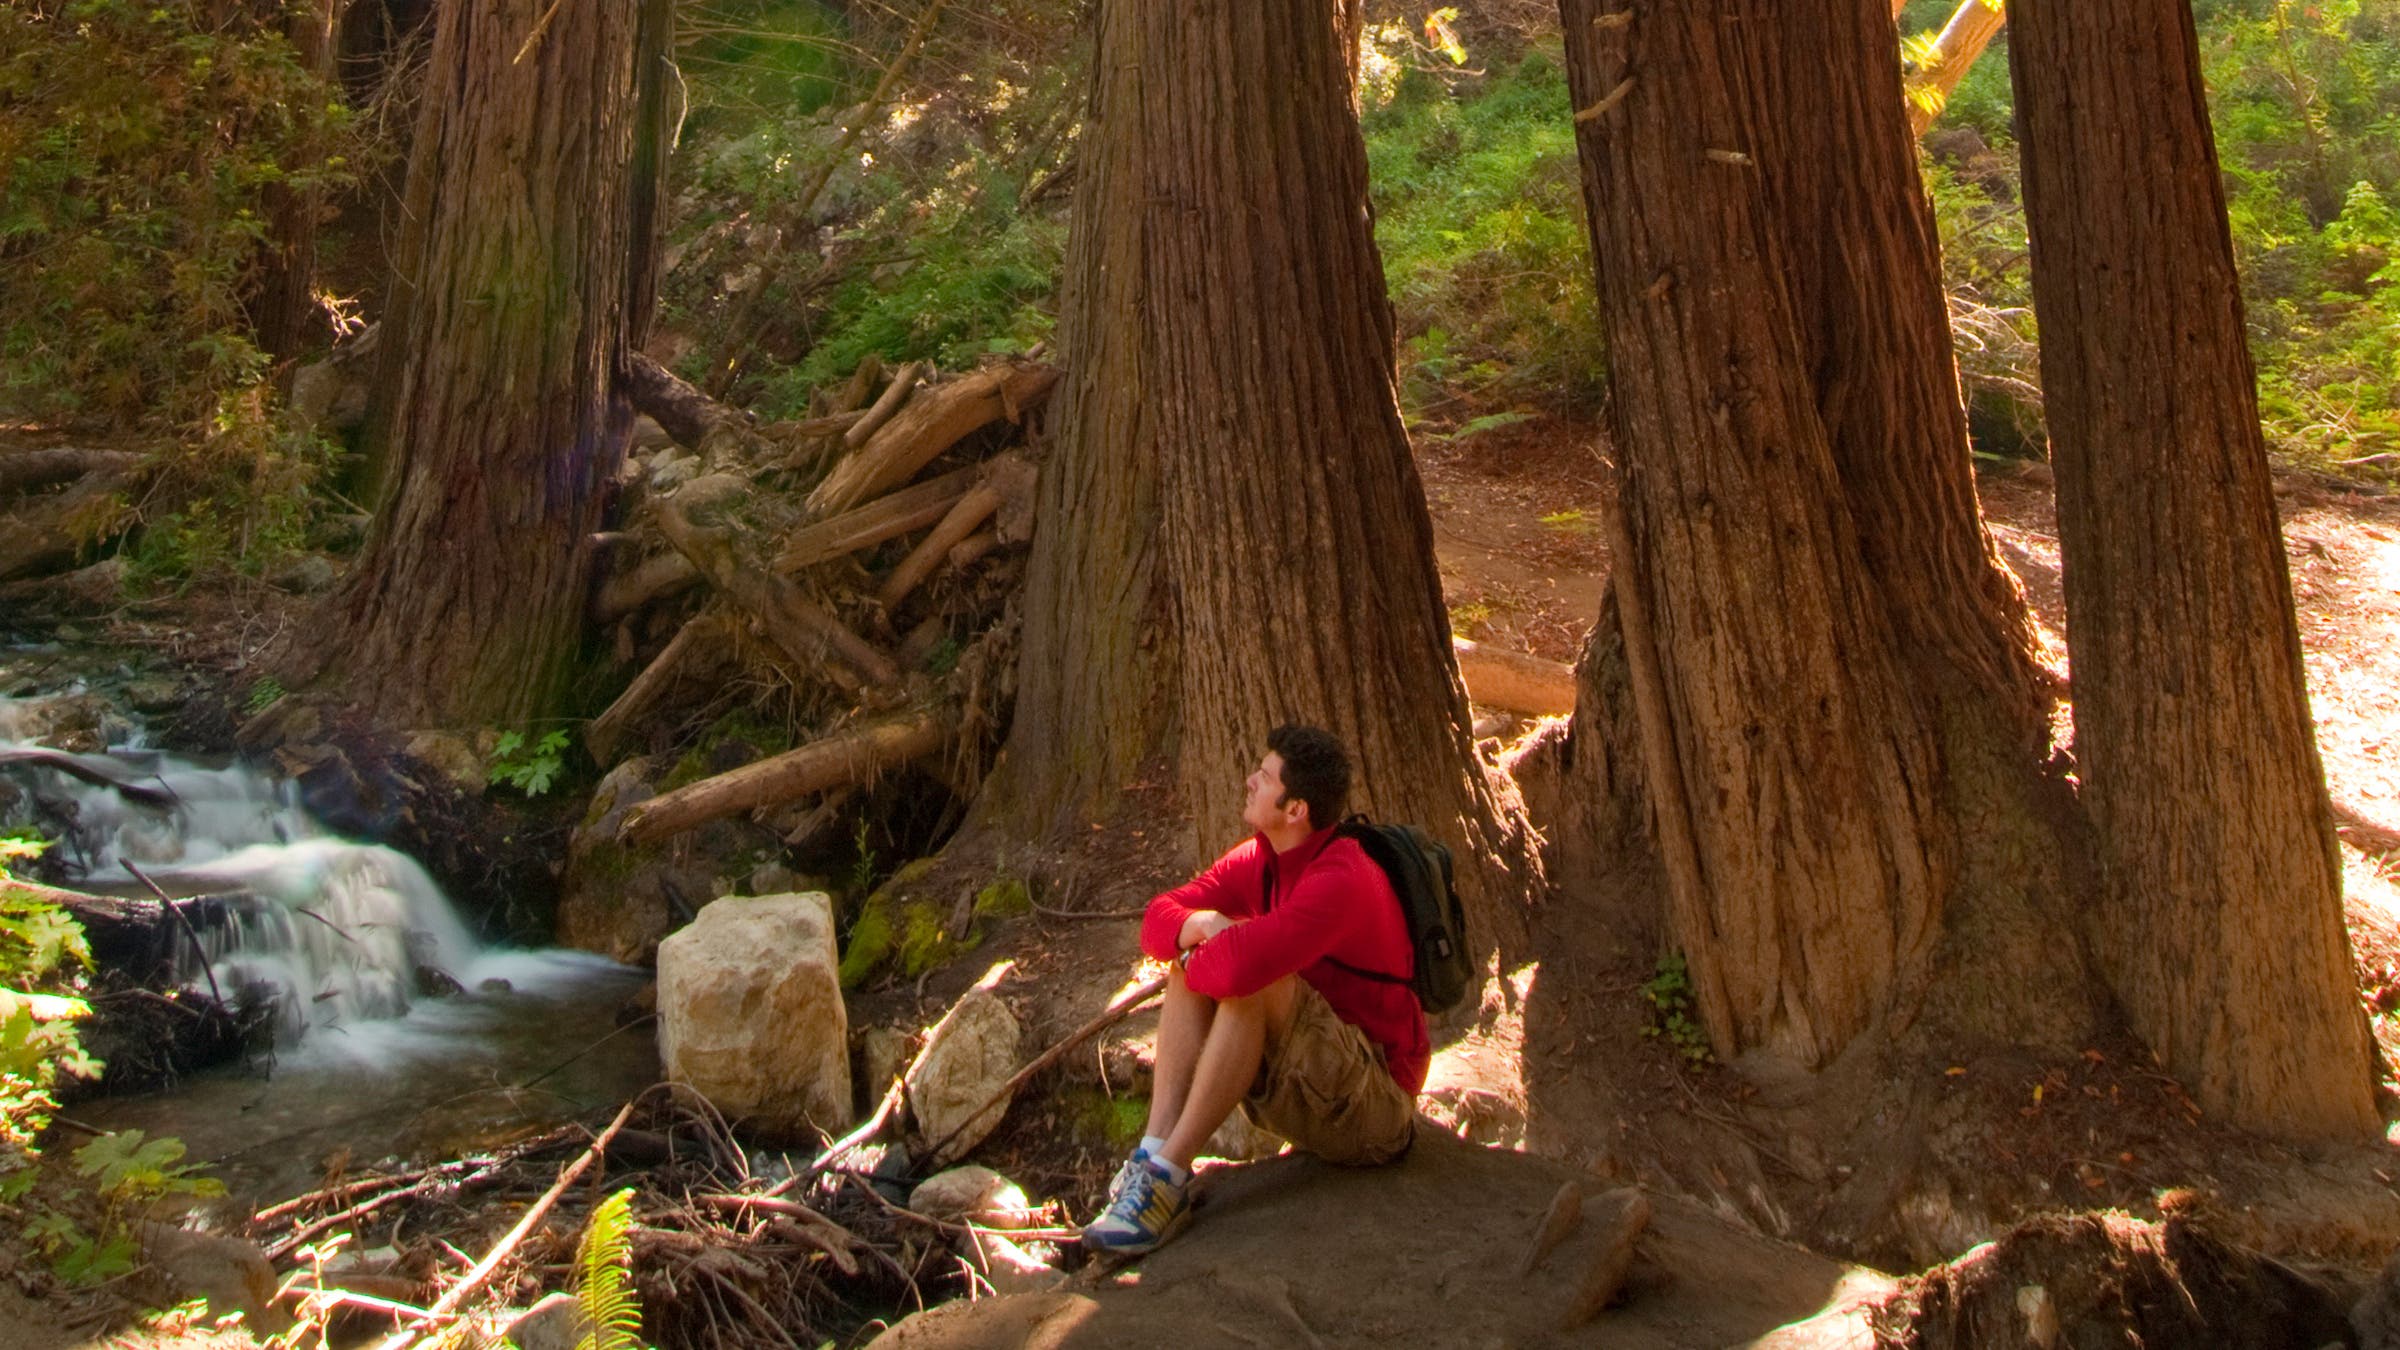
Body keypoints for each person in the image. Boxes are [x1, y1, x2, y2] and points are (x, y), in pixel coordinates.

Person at [1081, 724, 1425, 1256]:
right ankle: (1153, 1157)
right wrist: (1201, 925)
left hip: (1373, 1110)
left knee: (1250, 981)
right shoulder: (1260, 860)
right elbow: (1155, 922)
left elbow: (1238, 971)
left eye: (1264, 777)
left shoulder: (1343, 877)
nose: (1249, 781)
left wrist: (1199, 949)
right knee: (1195, 961)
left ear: (1296, 810)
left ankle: (1167, 1178)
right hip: (1315, 1085)